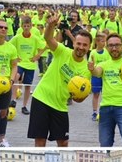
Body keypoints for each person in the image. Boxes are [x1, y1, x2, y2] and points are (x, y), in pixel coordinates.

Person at [27, 13, 92, 147]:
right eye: (78, 43)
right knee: (40, 140)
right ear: (74, 43)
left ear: (89, 47)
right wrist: (51, 25)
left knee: (63, 142)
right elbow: (48, 38)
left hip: (60, 106)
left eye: (84, 45)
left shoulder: (86, 69)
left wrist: (79, 97)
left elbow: (80, 96)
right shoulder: (62, 51)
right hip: (42, 98)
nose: (81, 47)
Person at [88, 33, 122, 147]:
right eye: (110, 45)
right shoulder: (103, 64)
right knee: (105, 143)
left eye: (117, 45)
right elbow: (97, 72)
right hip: (105, 107)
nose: (114, 48)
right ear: (106, 48)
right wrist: (92, 69)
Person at [9, 16, 45, 117]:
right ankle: (13, 99)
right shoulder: (17, 37)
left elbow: (44, 46)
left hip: (30, 65)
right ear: (21, 26)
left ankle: (24, 106)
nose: (26, 28)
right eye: (24, 26)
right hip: (20, 64)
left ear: (31, 26)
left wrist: (37, 56)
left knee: (27, 86)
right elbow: (9, 46)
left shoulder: (34, 38)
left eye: (28, 26)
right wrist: (15, 57)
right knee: (15, 77)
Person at [0, 18, 18, 147]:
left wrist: (11, 80)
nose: (4, 29)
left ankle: (2, 139)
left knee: (3, 112)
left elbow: (14, 65)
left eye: (5, 27)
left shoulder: (11, 47)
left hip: (5, 85)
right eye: (0, 27)